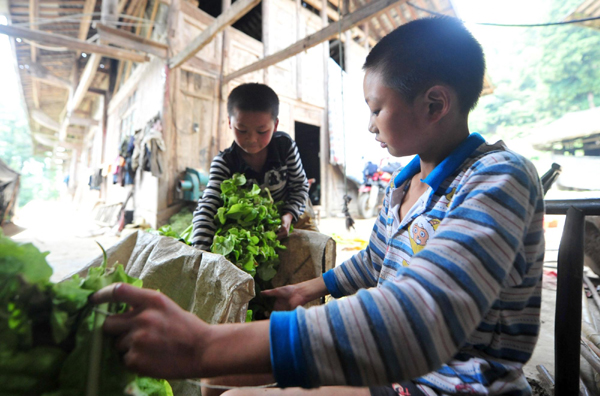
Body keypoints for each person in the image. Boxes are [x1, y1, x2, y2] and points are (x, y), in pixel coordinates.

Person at [92, 17, 545, 396]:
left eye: (375, 108)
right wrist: (306, 290)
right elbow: (375, 261)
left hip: (455, 384)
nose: (369, 125)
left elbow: (422, 319)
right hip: (398, 370)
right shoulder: (403, 184)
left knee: (221, 369)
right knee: (224, 381)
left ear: (434, 104)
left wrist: (203, 346)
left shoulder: (499, 178)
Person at [191, 83, 310, 250]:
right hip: (252, 230)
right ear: (230, 123)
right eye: (242, 130)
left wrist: (289, 215)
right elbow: (208, 206)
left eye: (262, 131)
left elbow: (300, 186)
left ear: (275, 125)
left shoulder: (285, 146)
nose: (252, 139)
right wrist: (200, 252)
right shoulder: (224, 163)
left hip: (292, 214)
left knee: (311, 252)